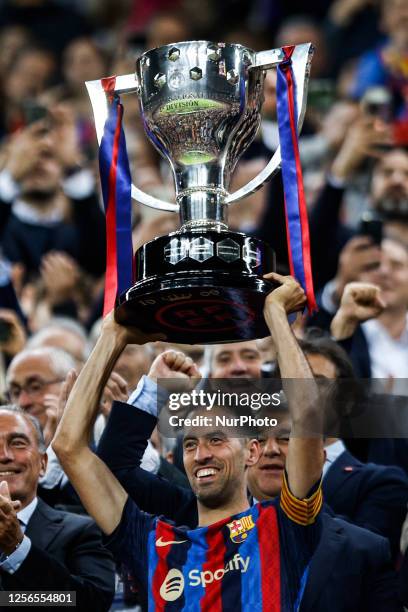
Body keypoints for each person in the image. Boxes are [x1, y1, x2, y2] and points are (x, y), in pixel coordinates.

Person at [53, 274, 324, 610]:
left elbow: (309, 416)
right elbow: (68, 448)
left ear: (251, 451)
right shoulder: (149, 540)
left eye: (216, 440)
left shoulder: (283, 526)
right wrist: (113, 335)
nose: (202, 455)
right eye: (191, 444)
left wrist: (274, 314)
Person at [0, 405, 115, 610]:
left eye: (17, 443)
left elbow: (92, 602)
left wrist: (18, 549)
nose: (4, 455)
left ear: (43, 463)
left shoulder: (82, 531)